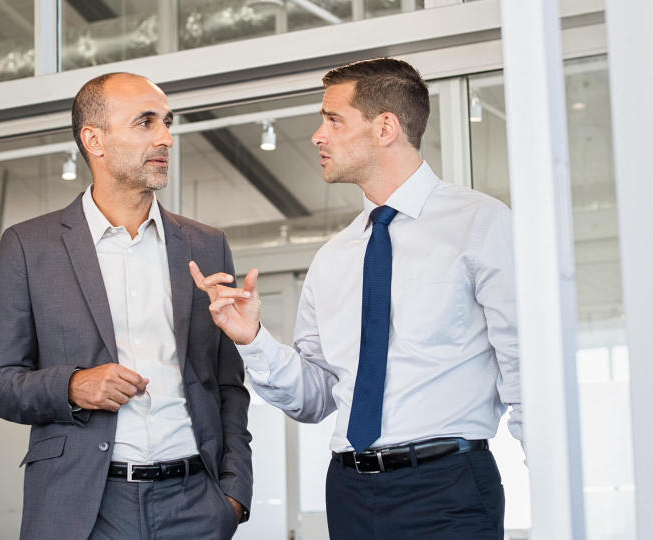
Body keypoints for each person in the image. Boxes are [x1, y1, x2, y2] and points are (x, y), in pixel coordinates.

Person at [190, 58, 521, 539]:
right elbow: (316, 398)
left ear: (385, 127)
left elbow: (526, 370)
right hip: (347, 492)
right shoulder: (334, 257)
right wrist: (253, 339)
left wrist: (555, 487)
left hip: (446, 489)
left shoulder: (481, 224)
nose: (317, 136)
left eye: (333, 119)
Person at [0, 72, 252, 540]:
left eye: (167, 122)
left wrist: (233, 494)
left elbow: (228, 383)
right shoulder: (30, 245)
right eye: (145, 123)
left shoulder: (207, 245)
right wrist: (72, 386)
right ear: (94, 140)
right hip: (82, 508)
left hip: (196, 505)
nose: (166, 137)